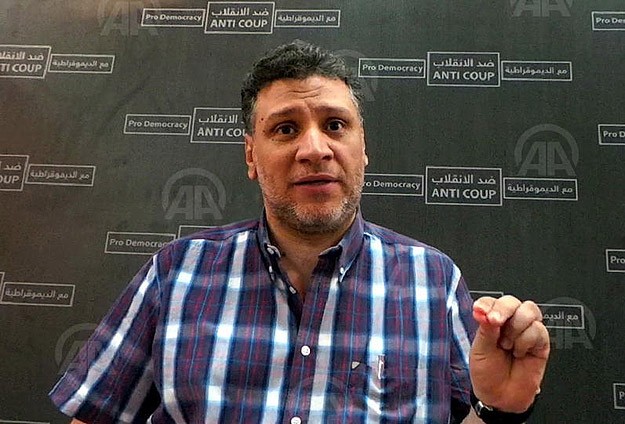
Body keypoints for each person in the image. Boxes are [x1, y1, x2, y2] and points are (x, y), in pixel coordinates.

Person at [50, 40, 549, 423]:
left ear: (363, 149)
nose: (314, 149)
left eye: (335, 125)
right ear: (251, 155)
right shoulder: (176, 274)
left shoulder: (432, 281)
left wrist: (498, 409)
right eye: (286, 129)